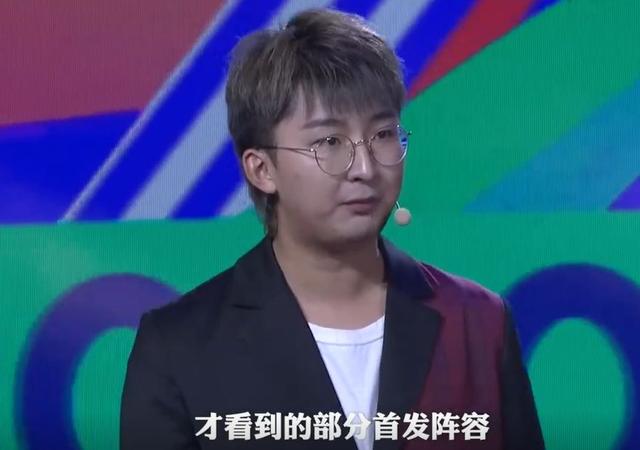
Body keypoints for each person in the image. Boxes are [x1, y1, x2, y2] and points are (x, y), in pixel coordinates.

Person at [120, 7, 545, 450]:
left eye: (383, 134)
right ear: (262, 169)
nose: (365, 168)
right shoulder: (178, 348)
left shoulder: (477, 321)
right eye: (329, 141)